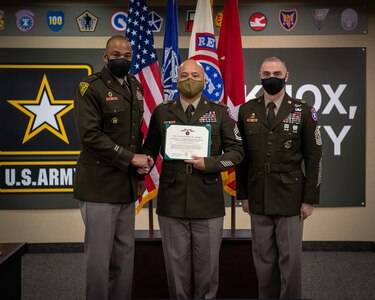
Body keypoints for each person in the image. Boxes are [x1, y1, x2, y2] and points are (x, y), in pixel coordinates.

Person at [140, 59, 244, 299]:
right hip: (172, 200)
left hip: (208, 201)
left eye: (195, 76)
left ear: (205, 81)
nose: (189, 80)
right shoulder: (162, 111)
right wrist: (144, 160)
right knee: (176, 269)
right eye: (184, 75)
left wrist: (210, 163)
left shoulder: (219, 113)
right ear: (176, 80)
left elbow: (237, 152)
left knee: (207, 270)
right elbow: (150, 147)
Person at [236, 56, 323, 299]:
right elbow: (241, 158)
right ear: (260, 76)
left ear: (287, 76)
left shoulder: (303, 111)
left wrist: (309, 199)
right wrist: (243, 195)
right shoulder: (246, 110)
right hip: (258, 193)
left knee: (290, 261)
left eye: (276, 73)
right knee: (263, 260)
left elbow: (315, 158)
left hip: (291, 196)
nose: (271, 78)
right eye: (266, 73)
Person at [73, 35, 152, 300]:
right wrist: (132, 159)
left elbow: (134, 135)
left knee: (124, 254)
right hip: (99, 185)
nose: (122, 59)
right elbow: (90, 136)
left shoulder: (135, 86)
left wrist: (138, 175)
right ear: (105, 57)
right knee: (99, 260)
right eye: (116, 55)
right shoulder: (89, 87)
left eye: (127, 55)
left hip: (126, 185)